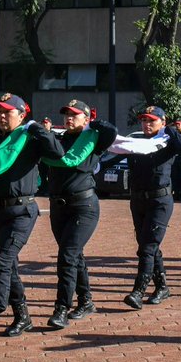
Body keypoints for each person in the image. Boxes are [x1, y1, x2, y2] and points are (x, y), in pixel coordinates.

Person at [0, 93, 65, 340]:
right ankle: (23, 316)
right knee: (8, 267)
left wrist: (38, 129)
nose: (1, 116)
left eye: (7, 112)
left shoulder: (30, 137)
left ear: (21, 116)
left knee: (1, 262)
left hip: (21, 211)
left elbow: (57, 152)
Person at [44, 99, 118, 329]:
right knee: (74, 256)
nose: (68, 118)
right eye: (66, 114)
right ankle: (86, 301)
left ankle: (61, 309)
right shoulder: (59, 140)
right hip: (58, 206)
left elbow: (111, 131)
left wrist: (92, 123)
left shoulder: (93, 139)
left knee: (67, 256)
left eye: (75, 115)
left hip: (84, 207)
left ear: (86, 118)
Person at [122, 105, 181, 309]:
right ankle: (162, 287)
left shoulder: (167, 142)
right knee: (148, 245)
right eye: (144, 120)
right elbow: (114, 152)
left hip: (159, 201)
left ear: (162, 121)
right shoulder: (136, 143)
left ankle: (138, 292)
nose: (147, 124)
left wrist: (170, 130)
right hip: (138, 200)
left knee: (147, 247)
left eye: (152, 120)